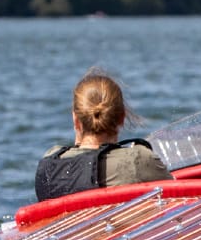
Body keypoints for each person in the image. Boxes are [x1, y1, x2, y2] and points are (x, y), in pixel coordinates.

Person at [33, 70, 171, 200]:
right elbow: (178, 199)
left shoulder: (50, 164)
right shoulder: (139, 160)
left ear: (76, 120)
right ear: (122, 117)